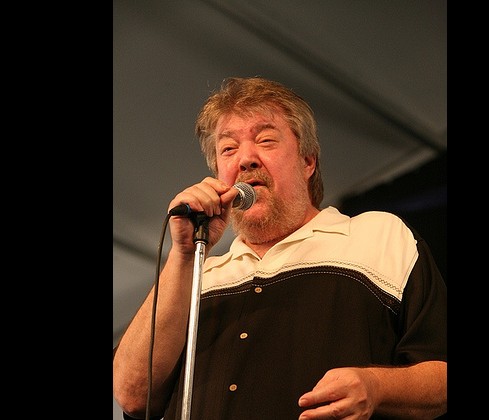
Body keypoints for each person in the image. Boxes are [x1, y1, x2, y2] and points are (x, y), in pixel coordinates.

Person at [113, 76, 447, 420]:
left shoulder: (378, 235)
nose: (245, 159)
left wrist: (376, 387)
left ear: (308, 162)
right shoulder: (194, 275)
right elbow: (132, 394)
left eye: (266, 140)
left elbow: (441, 374)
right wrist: (184, 256)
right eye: (228, 149)